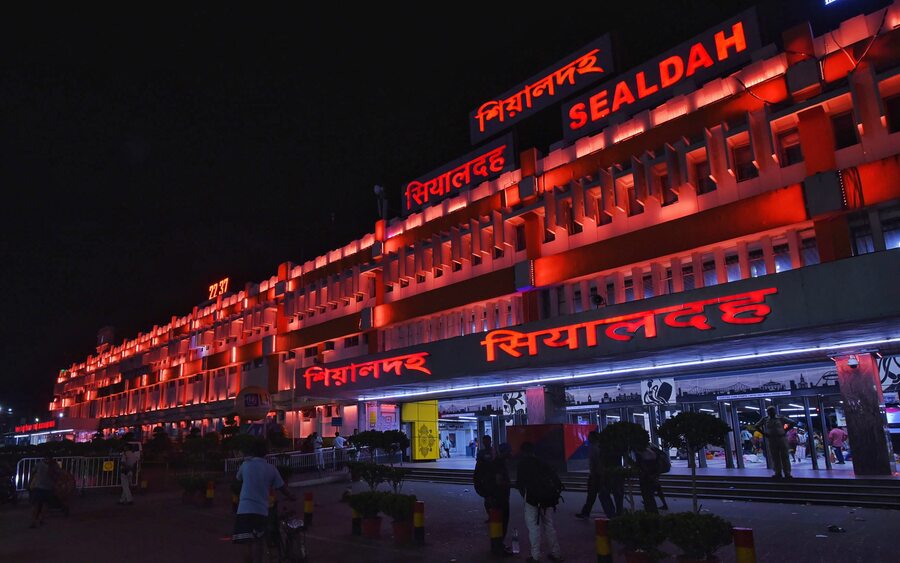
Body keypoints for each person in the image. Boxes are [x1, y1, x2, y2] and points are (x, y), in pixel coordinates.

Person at [233, 439, 296, 563]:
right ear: (265, 453)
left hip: (244, 509)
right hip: (261, 510)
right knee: (258, 541)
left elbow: (238, 479)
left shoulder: (245, 465)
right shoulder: (271, 468)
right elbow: (282, 487)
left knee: (247, 543)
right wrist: (291, 496)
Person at [516, 441, 564, 563]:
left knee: (533, 527)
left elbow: (520, 484)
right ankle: (556, 553)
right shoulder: (542, 462)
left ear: (523, 452)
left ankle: (536, 556)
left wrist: (525, 497)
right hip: (547, 499)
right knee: (549, 525)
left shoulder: (523, 464)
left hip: (531, 499)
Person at [754, 406, 797, 479]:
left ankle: (787, 473)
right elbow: (756, 426)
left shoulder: (781, 418)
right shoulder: (765, 419)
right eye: (770, 411)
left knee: (785, 456)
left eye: (772, 411)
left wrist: (785, 430)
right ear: (768, 412)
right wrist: (764, 433)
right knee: (774, 457)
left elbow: (793, 422)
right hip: (771, 439)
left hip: (781, 438)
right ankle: (778, 473)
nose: (771, 412)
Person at [630, 444, 669, 513]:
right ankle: (662, 505)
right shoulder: (651, 450)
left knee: (649, 495)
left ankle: (653, 511)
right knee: (655, 491)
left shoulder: (644, 453)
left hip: (648, 477)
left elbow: (639, 466)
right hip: (652, 476)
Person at [29, 456, 56, 528]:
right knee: (45, 504)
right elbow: (55, 476)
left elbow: (33, 473)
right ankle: (42, 519)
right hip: (48, 487)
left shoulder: (39, 464)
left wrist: (30, 483)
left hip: (38, 487)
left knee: (36, 505)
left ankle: (33, 521)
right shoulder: (52, 466)